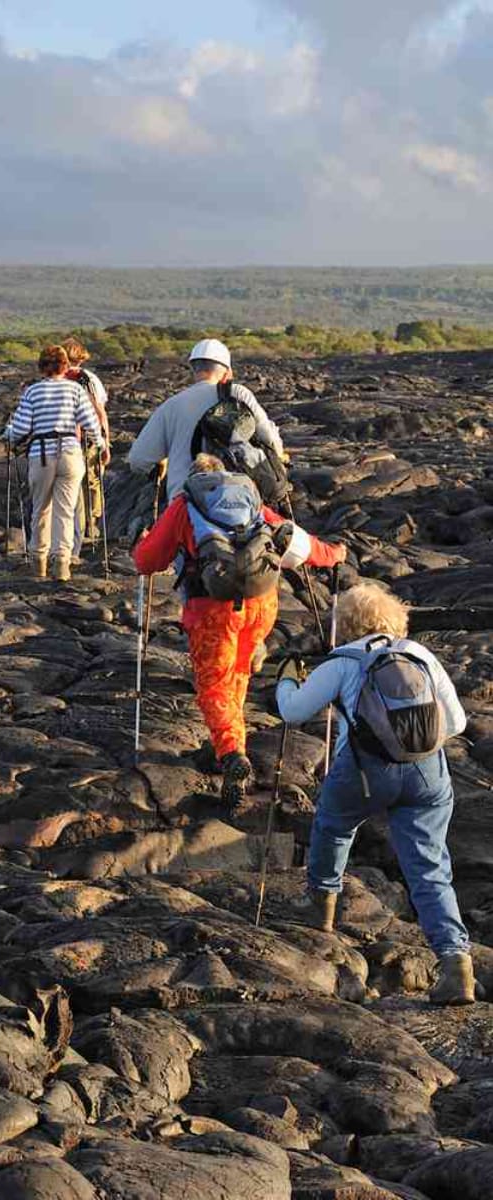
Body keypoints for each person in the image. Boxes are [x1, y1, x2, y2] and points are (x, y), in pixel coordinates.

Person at [275, 582, 476, 1006]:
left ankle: (323, 914)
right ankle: (456, 964)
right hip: (427, 773)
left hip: (364, 772)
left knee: (333, 826)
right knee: (429, 868)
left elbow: (293, 712)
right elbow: (456, 722)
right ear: (395, 617)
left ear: (344, 624)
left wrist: (286, 679)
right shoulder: (419, 655)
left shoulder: (343, 661)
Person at [133, 454, 344, 803]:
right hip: (260, 603)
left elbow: (147, 561)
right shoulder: (248, 498)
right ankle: (228, 742)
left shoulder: (185, 505)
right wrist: (333, 554)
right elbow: (298, 545)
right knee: (238, 672)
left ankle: (232, 754)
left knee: (214, 683)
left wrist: (142, 544)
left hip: (212, 608)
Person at [128, 338, 284, 502]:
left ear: (194, 370)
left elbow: (138, 460)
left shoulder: (171, 405)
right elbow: (270, 440)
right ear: (227, 373)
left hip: (185, 502)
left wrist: (161, 465)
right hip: (239, 500)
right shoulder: (237, 393)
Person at [6, 345, 106, 582]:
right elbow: (91, 423)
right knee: (66, 510)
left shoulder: (33, 392)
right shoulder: (74, 390)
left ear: (41, 367)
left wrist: (7, 434)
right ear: (65, 366)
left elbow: (19, 429)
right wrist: (101, 444)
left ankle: (38, 562)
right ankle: (62, 563)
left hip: (41, 455)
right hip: (71, 453)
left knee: (40, 509)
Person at [63, 337, 110, 561]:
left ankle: (70, 533)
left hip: (64, 441)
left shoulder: (54, 379)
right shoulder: (90, 379)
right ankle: (92, 526)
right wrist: (105, 441)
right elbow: (100, 412)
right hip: (89, 439)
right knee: (91, 480)